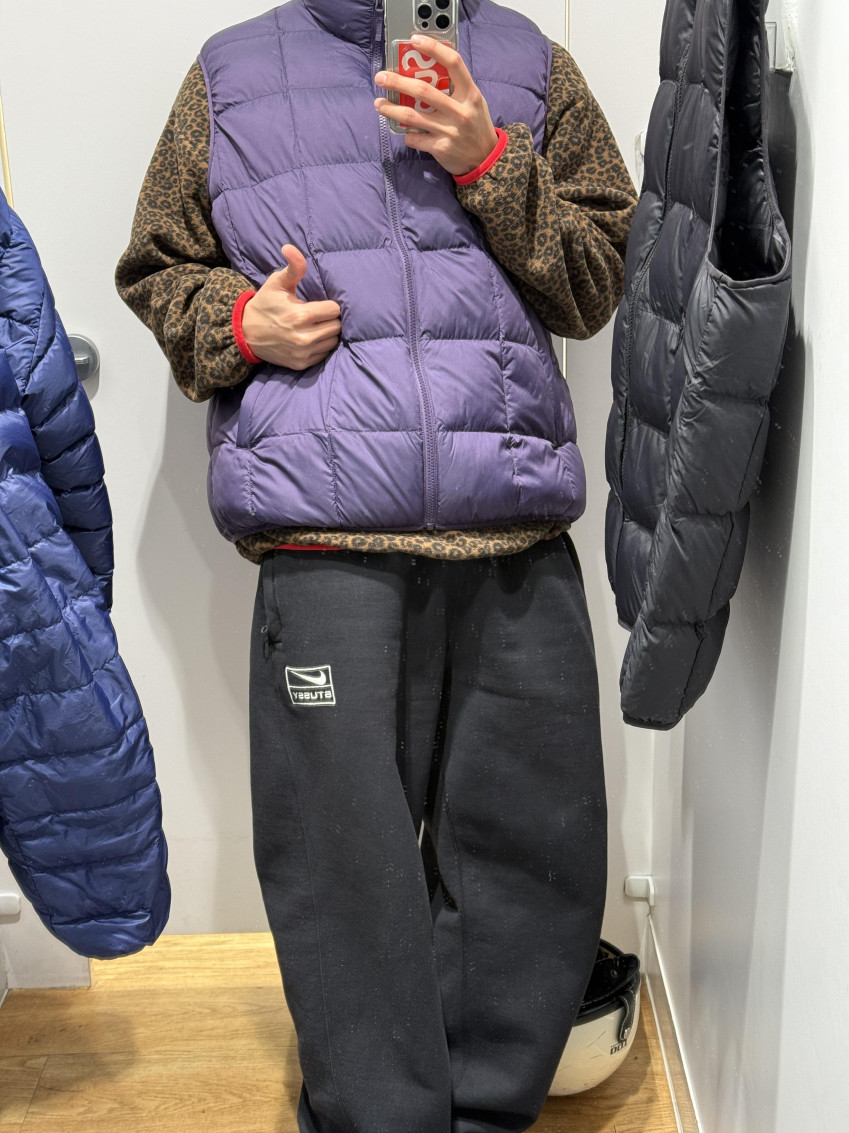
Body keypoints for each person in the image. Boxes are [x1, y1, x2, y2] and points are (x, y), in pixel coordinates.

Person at [115, 2, 637, 1130]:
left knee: (529, 855)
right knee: (342, 866)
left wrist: (490, 159)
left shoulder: (532, 66)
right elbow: (158, 267)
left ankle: (488, 1112)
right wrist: (240, 326)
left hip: (512, 530)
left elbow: (599, 277)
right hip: (325, 539)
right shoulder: (230, 74)